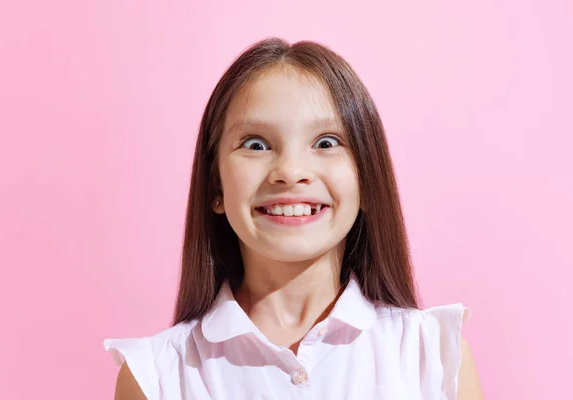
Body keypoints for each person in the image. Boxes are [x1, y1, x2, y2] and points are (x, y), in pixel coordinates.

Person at [103, 37, 483, 400]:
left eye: (326, 143)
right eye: (256, 144)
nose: (290, 171)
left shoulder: (433, 357)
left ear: (366, 179)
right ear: (215, 185)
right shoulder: (156, 378)